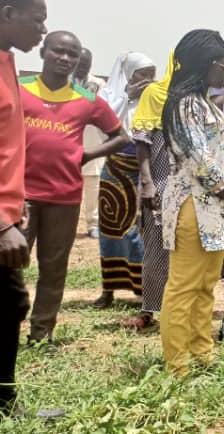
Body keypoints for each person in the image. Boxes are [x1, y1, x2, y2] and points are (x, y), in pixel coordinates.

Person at [21, 30, 130, 344]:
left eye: (72, 54)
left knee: (53, 269)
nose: (65, 58)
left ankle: (42, 333)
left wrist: (86, 155)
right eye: (59, 51)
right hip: (21, 196)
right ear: (43, 52)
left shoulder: (87, 101)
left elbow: (121, 136)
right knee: (9, 266)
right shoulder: (19, 89)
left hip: (64, 196)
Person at [159, 29, 224, 375]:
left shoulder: (205, 104)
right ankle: (177, 364)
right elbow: (198, 158)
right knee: (184, 286)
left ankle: (202, 352)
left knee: (206, 284)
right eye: (222, 64)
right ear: (203, 64)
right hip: (193, 207)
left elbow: (223, 155)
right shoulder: (184, 105)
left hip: (215, 207)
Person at [0, 0, 61, 419]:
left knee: (10, 303)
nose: (42, 29)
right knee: (10, 302)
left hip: (10, 211)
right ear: (7, 14)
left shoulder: (7, 63)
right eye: (37, 20)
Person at [92, 52, 156, 324]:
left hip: (143, 168)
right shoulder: (110, 95)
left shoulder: (152, 98)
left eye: (152, 73)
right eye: (144, 73)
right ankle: (109, 289)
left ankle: (143, 290)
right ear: (130, 74)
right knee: (110, 229)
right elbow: (106, 126)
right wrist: (128, 96)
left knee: (138, 231)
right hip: (115, 169)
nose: (148, 79)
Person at [128, 49, 179, 328]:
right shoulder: (154, 94)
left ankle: (178, 308)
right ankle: (149, 309)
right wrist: (147, 182)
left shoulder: (195, 97)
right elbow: (142, 140)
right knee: (156, 246)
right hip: (159, 181)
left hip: (188, 184)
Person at [76, 47, 107, 239]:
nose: (82, 68)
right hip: (67, 139)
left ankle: (93, 223)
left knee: (92, 185)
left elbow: (99, 106)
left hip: (91, 140)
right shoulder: (62, 80)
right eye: (80, 64)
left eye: (86, 64)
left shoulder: (97, 83)